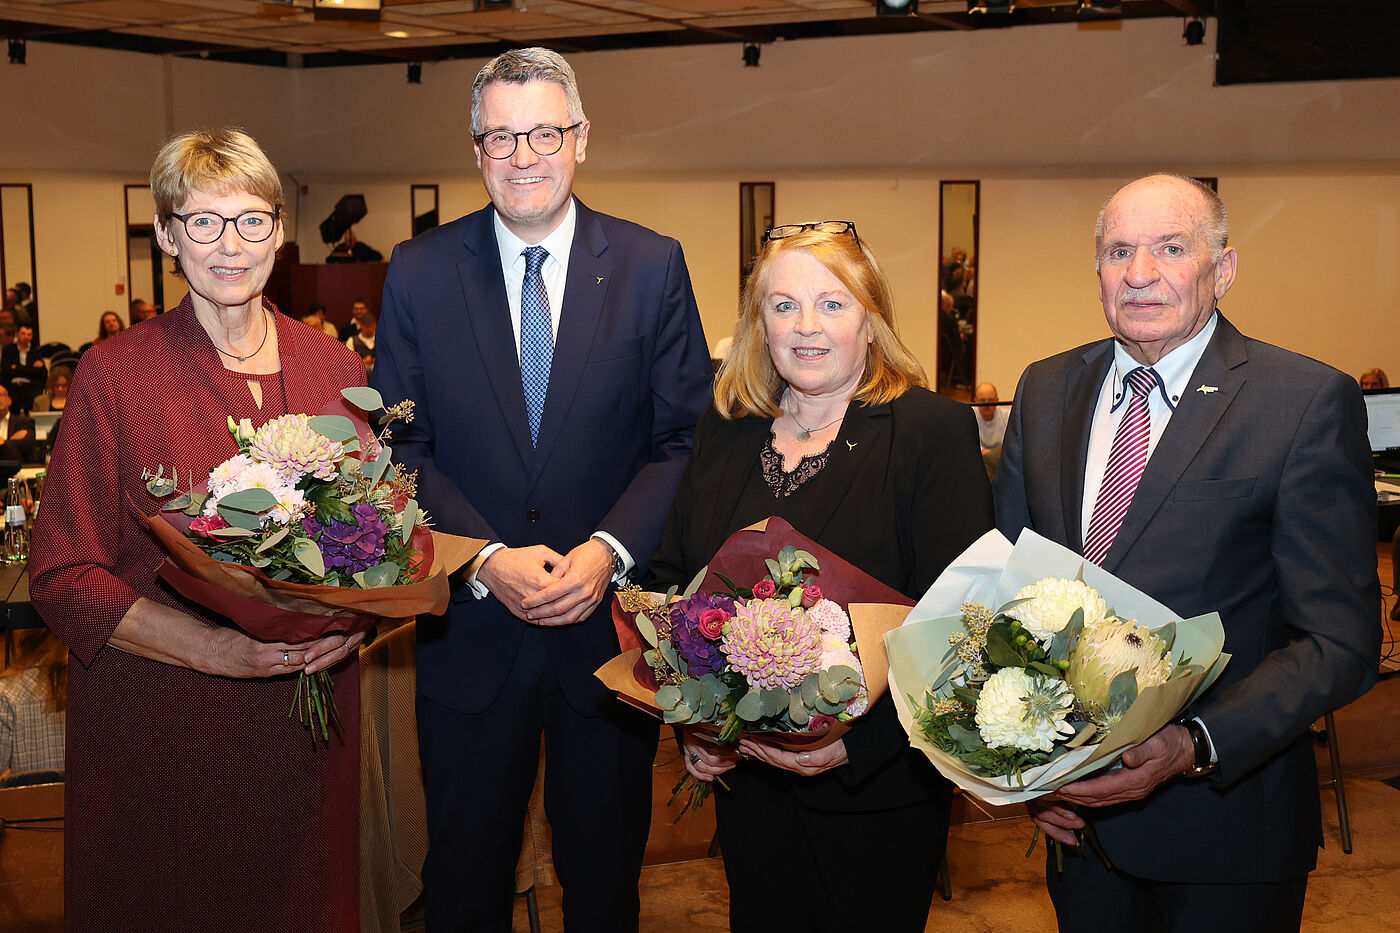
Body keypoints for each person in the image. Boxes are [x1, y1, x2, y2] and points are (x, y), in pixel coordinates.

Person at [371, 47, 711, 932]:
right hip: (471, 639)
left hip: (605, 642)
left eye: (545, 133)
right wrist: (485, 556)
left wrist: (607, 552)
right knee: (464, 888)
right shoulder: (417, 270)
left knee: (603, 890)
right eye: (501, 136)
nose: (524, 155)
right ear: (477, 148)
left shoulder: (651, 265)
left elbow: (684, 441)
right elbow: (400, 443)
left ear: (582, 138)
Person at [995, 174, 1379, 933]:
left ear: (1222, 269)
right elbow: (1006, 597)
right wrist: (1027, 774)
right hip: (1077, 829)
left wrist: (1194, 743)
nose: (1140, 273)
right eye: (1119, 251)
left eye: (1171, 248)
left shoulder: (1303, 401)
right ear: (1098, 269)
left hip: (1228, 834)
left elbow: (1340, 640)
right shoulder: (1044, 390)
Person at [29, 127, 368, 932]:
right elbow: (62, 576)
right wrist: (214, 647)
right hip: (168, 733)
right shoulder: (115, 377)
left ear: (279, 233)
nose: (229, 245)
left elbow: (372, 544)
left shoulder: (336, 372)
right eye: (202, 222)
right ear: (167, 234)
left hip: (306, 727)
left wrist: (354, 625)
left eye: (250, 220)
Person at [649, 222, 994, 933]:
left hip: (877, 793)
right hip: (750, 788)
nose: (806, 327)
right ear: (758, 326)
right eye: (783, 306)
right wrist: (696, 720)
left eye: (832, 304)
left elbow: (964, 627)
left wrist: (856, 745)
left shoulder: (929, 431)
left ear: (870, 320)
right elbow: (672, 581)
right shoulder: (725, 428)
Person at [0, 628, 68, 777]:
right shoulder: (91, 683)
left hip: (30, 799)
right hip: (81, 797)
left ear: (20, 634)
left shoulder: (8, 692)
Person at [1, 323, 45, 411]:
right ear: (17, 334)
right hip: (12, 386)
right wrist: (29, 369)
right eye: (23, 334)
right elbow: (6, 372)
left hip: (30, 387)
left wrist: (17, 367)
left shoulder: (35, 351)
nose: (26, 337)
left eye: (29, 334)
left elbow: (41, 373)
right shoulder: (8, 350)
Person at [972, 380, 1009, 478]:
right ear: (975, 400)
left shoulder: (1007, 416)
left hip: (1000, 461)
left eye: (991, 400)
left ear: (997, 400)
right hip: (978, 460)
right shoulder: (970, 416)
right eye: (982, 401)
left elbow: (1010, 444)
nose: (987, 405)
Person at [0, 384, 37, 463]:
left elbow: (27, 444)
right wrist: (10, 441)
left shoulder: (24, 422)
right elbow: (15, 446)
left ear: (9, 401)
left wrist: (3, 442)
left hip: (19, 467)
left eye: (0, 395)